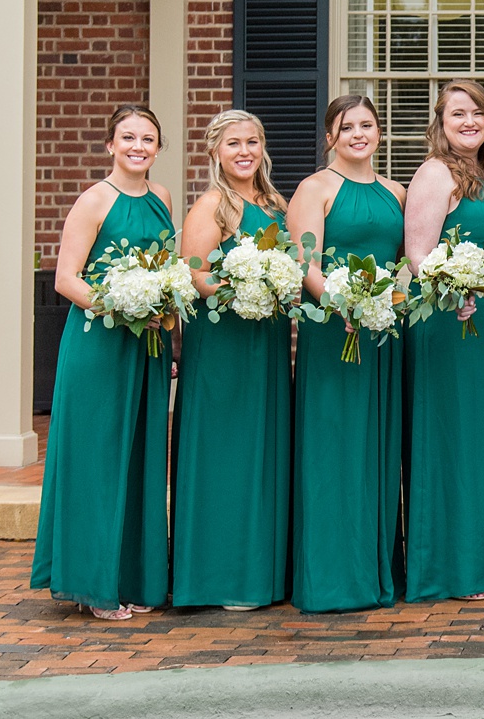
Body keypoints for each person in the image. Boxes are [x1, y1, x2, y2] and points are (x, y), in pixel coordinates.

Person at [31, 105, 176, 620]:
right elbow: (66, 279)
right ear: (110, 145)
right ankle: (94, 583)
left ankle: (133, 577)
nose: (138, 146)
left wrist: (161, 308)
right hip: (99, 345)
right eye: (128, 137)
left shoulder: (161, 199)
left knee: (140, 458)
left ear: (159, 148)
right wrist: (124, 305)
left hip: (148, 347)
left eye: (148, 139)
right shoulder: (94, 200)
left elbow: (166, 269)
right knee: (97, 457)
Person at [403, 80, 484, 601]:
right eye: (458, 114)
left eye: (477, 113)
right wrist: (455, 291)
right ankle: (460, 567)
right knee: (461, 436)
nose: (468, 121)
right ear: (441, 122)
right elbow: (418, 255)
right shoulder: (435, 172)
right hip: (457, 320)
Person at [287, 95, 405, 612]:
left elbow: (402, 262)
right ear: (330, 136)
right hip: (335, 334)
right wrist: (340, 303)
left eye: (367, 125)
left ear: (379, 132)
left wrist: (388, 299)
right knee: (335, 449)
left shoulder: (395, 192)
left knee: (377, 450)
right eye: (346, 126)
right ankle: (331, 579)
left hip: (381, 332)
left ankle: (373, 574)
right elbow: (304, 262)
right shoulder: (315, 189)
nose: (359, 133)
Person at [172, 110, 292, 611]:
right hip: (223, 344)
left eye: (252, 142)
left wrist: (273, 284)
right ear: (215, 153)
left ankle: (260, 572)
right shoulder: (212, 206)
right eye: (233, 144)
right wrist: (245, 286)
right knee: (225, 451)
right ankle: (220, 576)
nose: (244, 152)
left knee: (262, 450)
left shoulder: (276, 204)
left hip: (264, 341)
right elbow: (195, 275)